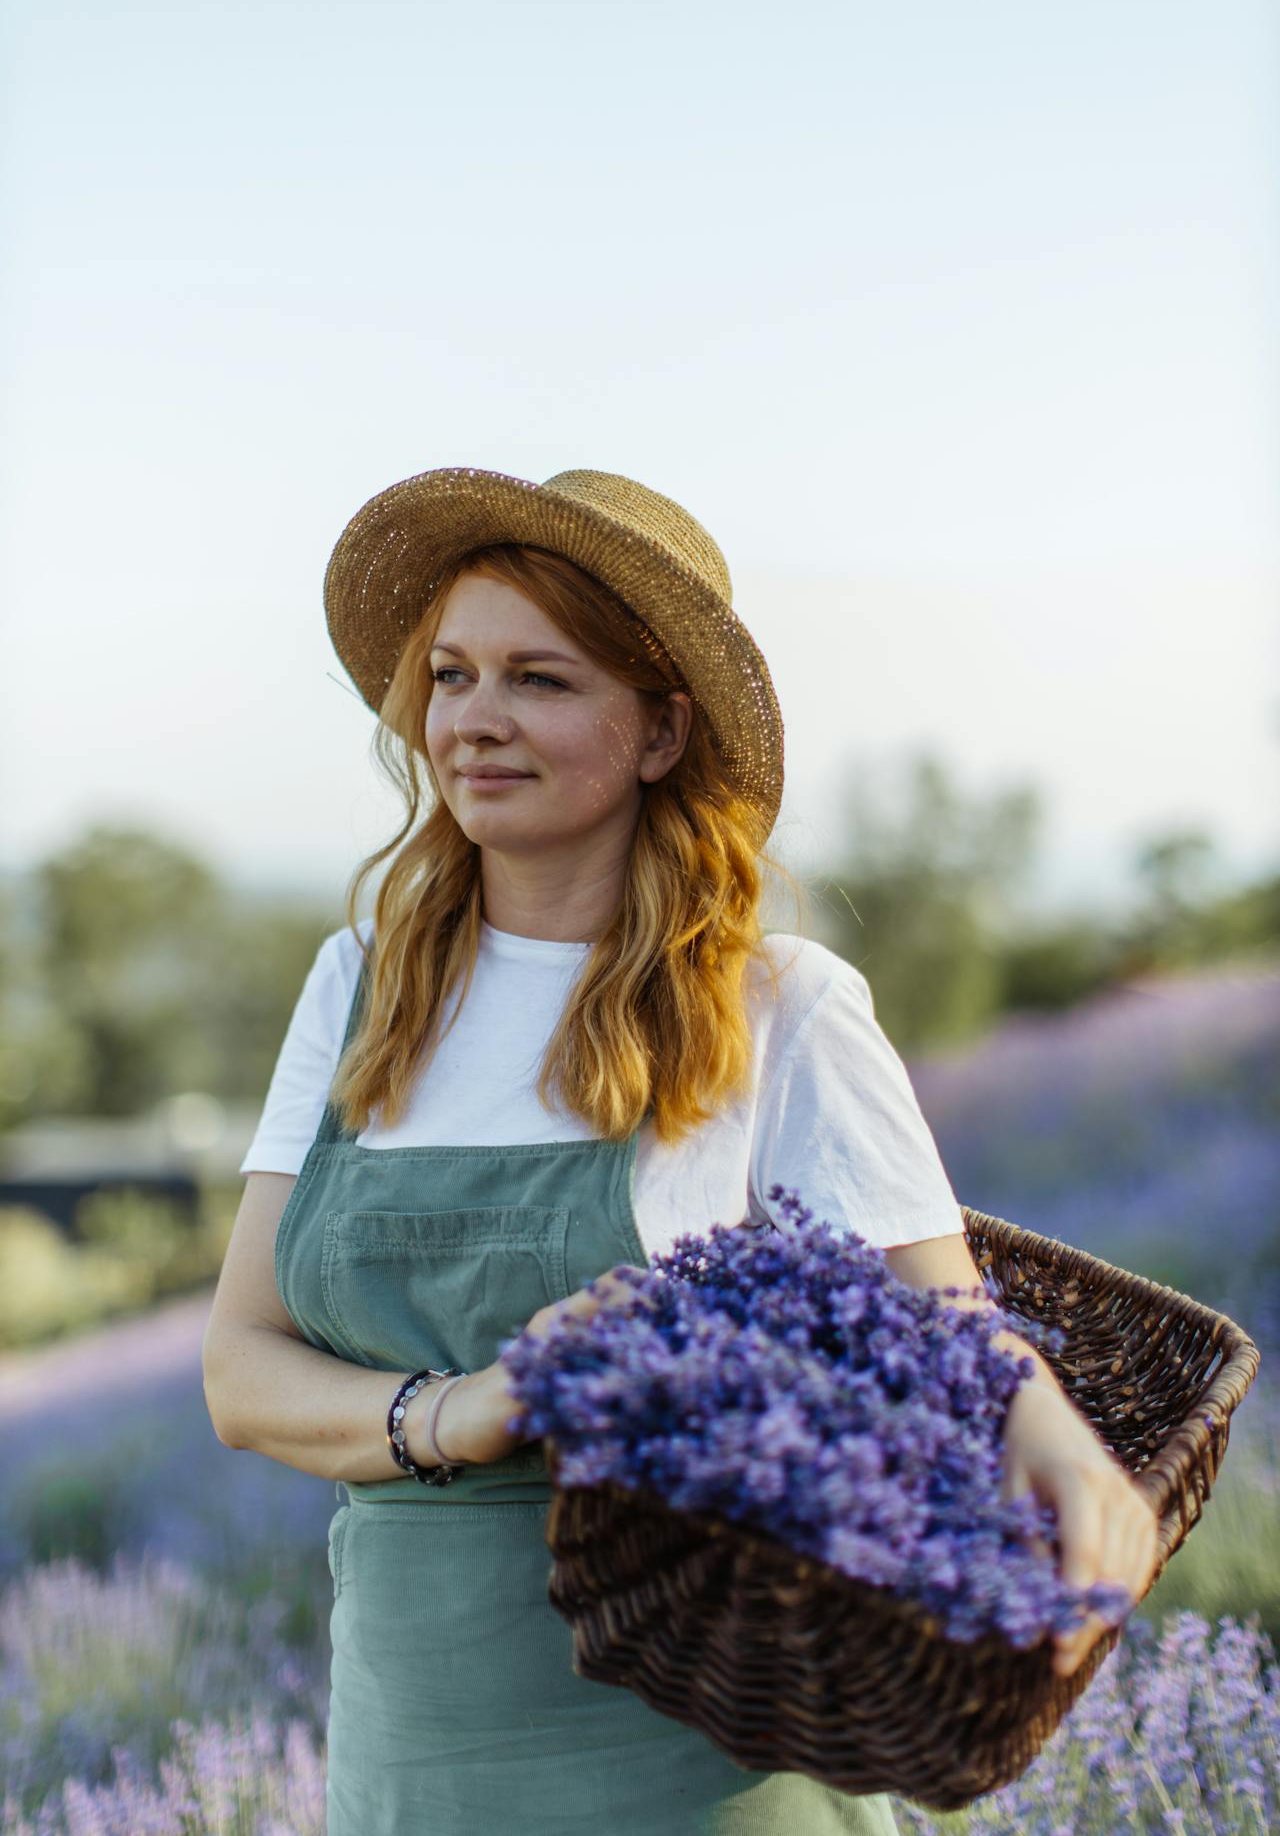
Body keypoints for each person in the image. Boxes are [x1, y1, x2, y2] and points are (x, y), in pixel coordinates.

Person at [202, 464, 1158, 1836]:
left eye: (540, 679)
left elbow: (948, 1327)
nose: (474, 720)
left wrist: (1060, 1450)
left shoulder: (779, 1005)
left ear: (659, 733)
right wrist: (462, 1410)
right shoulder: (359, 989)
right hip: (415, 1760)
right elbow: (242, 1373)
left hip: (704, 1762)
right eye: (454, 675)